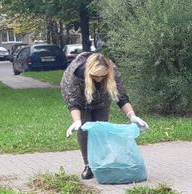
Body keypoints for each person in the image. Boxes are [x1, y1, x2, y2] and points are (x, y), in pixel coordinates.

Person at [61, 51, 148, 179]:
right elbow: (74, 101)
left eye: (103, 76)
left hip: (102, 100)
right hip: (82, 99)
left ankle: (101, 164)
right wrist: (76, 121)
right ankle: (88, 165)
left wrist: (132, 116)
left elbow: (121, 96)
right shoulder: (76, 74)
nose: (100, 79)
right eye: (96, 76)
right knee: (84, 130)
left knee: (101, 130)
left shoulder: (112, 71)